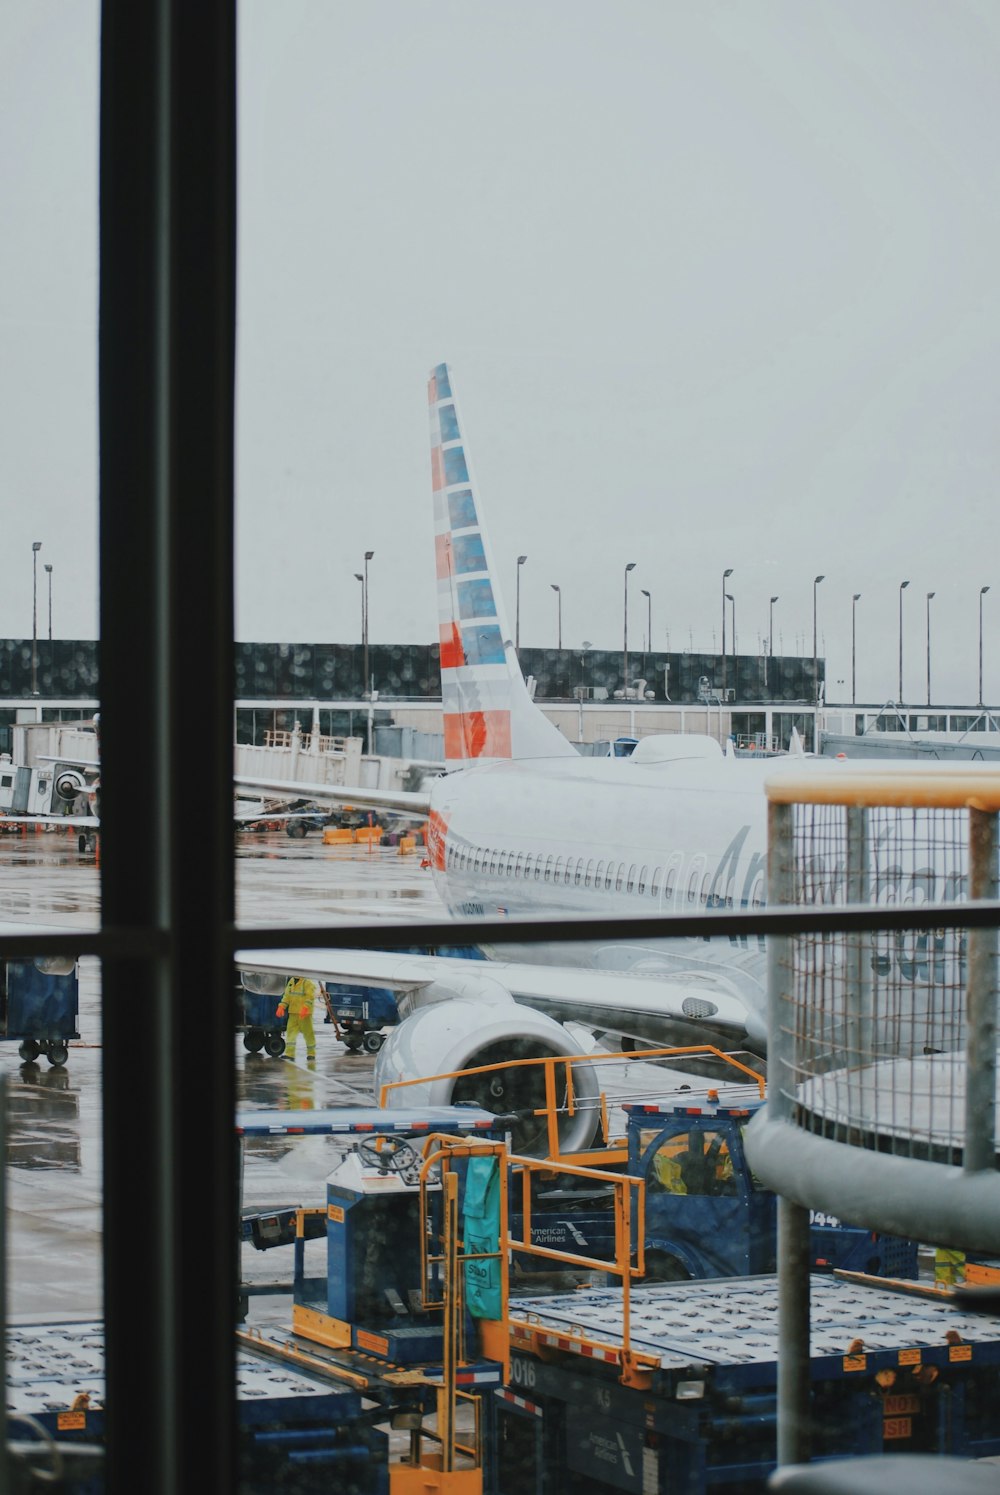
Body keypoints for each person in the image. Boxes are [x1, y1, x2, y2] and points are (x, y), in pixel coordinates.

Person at [276, 975, 318, 1062]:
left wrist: (305, 1007)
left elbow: (310, 997)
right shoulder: (291, 981)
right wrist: (282, 1006)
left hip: (304, 1014)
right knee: (291, 1033)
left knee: (308, 1033)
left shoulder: (307, 982)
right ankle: (289, 1054)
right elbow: (287, 996)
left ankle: (311, 1053)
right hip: (293, 1012)